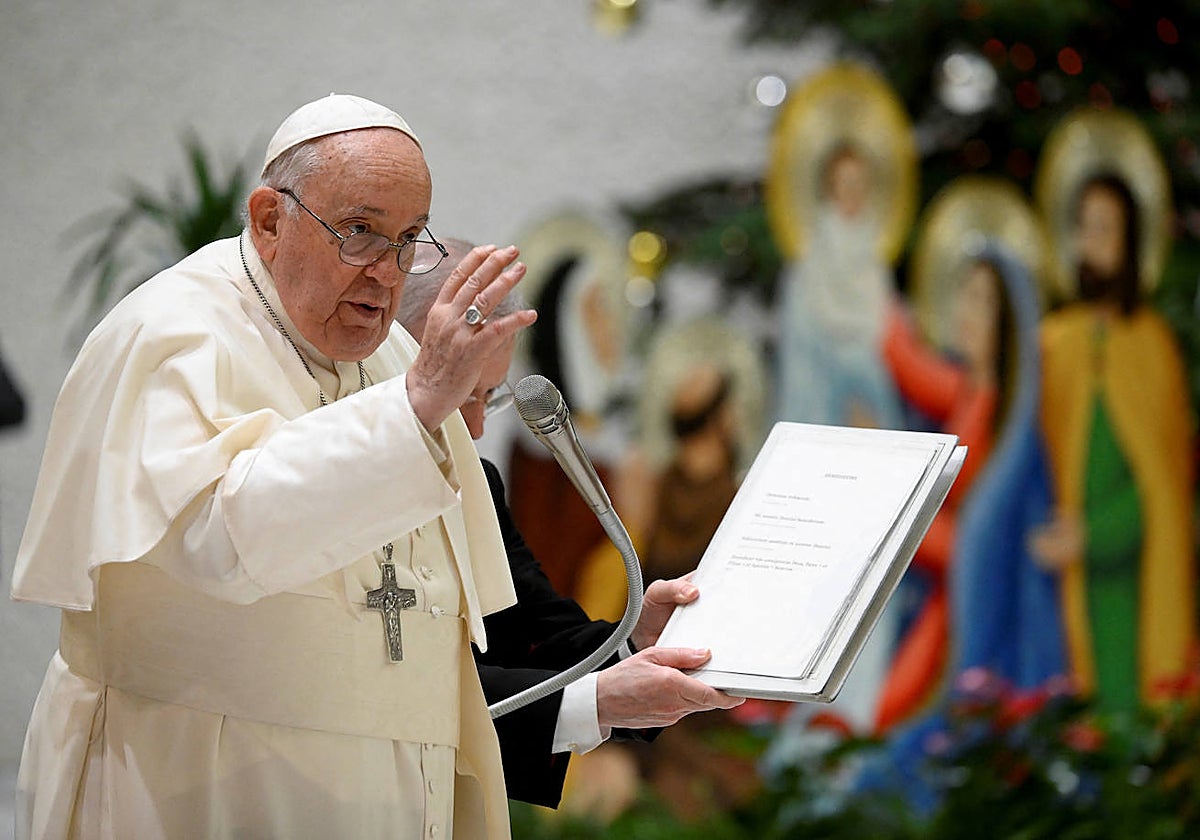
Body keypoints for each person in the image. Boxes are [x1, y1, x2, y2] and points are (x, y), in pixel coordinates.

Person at [14, 93, 547, 840]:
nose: (388, 275)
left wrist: (612, 664)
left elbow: (438, 616)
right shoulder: (170, 333)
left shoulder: (392, 355)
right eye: (360, 232)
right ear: (269, 220)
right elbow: (221, 536)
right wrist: (414, 406)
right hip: (196, 789)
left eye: (408, 239)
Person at [397, 238, 745, 809]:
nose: (480, 429)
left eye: (492, 399)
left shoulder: (475, 482)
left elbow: (538, 635)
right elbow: (398, 688)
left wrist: (637, 642)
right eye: (466, 397)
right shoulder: (335, 495)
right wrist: (597, 701)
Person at [1033, 172, 1196, 713]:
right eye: (1083, 228)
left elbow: (1164, 485)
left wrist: (1096, 535)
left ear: (1130, 241)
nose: (1091, 244)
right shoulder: (1054, 341)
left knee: (1125, 716)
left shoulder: (1152, 346)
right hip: (1057, 580)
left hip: (1129, 583)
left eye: (1105, 229)